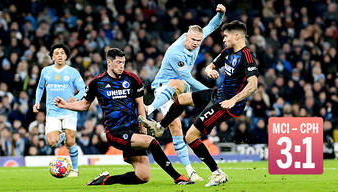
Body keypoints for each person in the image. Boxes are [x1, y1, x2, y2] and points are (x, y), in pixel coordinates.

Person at [140, 20, 259, 187]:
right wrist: (210, 70)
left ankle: (217, 173)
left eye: (226, 36)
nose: (223, 39)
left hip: (227, 104)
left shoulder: (247, 56)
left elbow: (253, 85)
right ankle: (160, 127)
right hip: (218, 94)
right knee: (181, 99)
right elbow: (210, 66)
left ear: (237, 36)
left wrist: (233, 100)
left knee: (190, 136)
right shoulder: (227, 51)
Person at [55, 48, 193, 185]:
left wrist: (143, 125)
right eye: (118, 62)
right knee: (152, 142)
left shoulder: (132, 79)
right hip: (116, 132)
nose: (121, 66)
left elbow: (140, 104)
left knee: (143, 177)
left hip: (134, 129)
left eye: (123, 62)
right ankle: (178, 178)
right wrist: (65, 105)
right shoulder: (97, 83)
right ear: (109, 62)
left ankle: (106, 180)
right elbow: (84, 105)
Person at [141, 4, 226, 181]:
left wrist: (220, 13)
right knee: (177, 118)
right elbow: (189, 80)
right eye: (193, 40)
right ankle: (150, 109)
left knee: (180, 127)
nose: (195, 43)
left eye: (198, 40)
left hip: (181, 88)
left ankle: (190, 170)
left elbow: (213, 25)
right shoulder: (174, 52)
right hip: (164, 86)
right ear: (186, 37)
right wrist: (210, 93)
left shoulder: (198, 37)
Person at [33, 43, 86, 177]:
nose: (60, 55)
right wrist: (37, 102)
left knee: (70, 142)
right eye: (56, 53)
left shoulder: (73, 72)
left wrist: (75, 98)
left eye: (62, 53)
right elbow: (40, 87)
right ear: (52, 57)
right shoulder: (46, 71)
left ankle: (74, 169)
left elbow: (83, 89)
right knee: (51, 142)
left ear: (66, 56)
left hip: (68, 110)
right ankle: (63, 135)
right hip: (52, 111)